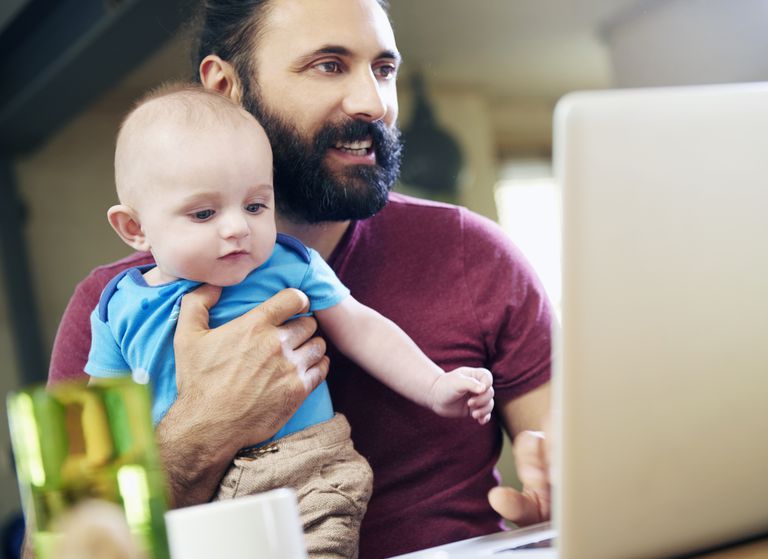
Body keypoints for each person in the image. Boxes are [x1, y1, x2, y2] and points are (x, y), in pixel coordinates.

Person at [47, 0, 553, 556]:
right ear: (224, 85)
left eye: (383, 70)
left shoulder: (474, 252)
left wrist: (567, 497)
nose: (374, 103)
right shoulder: (106, 304)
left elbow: (568, 460)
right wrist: (204, 424)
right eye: (329, 65)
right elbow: (65, 542)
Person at [88, 83, 494, 558]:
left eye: (256, 205)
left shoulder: (286, 264)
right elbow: (104, 416)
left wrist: (433, 386)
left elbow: (361, 327)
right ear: (135, 228)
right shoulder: (119, 306)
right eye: (204, 213)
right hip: (192, 503)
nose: (238, 226)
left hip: (306, 473)